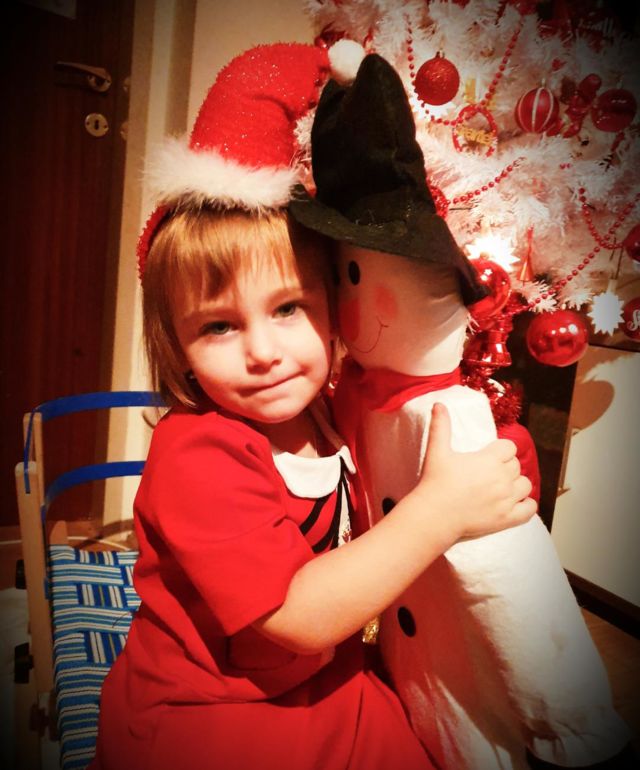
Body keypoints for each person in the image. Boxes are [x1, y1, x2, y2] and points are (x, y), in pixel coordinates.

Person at [90, 42, 535, 770]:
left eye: (288, 308)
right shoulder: (198, 454)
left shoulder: (329, 406)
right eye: (219, 326)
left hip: (325, 677)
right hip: (209, 712)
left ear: (331, 307)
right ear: (177, 343)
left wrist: (490, 451)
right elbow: (297, 617)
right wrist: (441, 510)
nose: (263, 352)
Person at [289, 52, 633, 769]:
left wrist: (572, 720)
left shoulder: (449, 421)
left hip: (475, 693)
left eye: (353, 276)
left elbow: (514, 585)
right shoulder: (353, 392)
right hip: (409, 674)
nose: (347, 301)